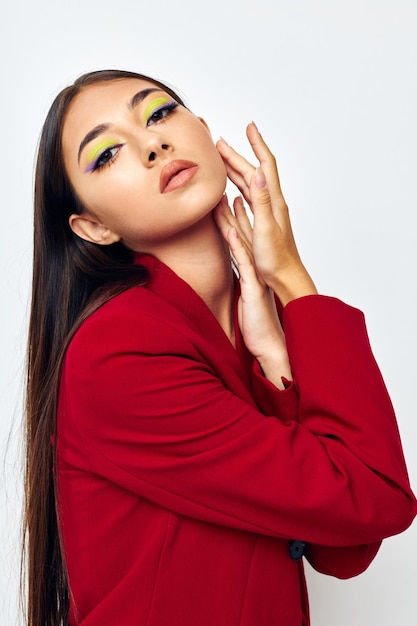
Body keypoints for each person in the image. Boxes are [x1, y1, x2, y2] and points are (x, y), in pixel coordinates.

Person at [23, 69, 416, 626]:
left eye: (159, 114)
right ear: (92, 227)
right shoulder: (118, 352)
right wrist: (293, 279)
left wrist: (276, 359)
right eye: (108, 153)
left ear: (204, 133)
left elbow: (345, 547)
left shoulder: (246, 327)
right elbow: (373, 495)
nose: (154, 144)